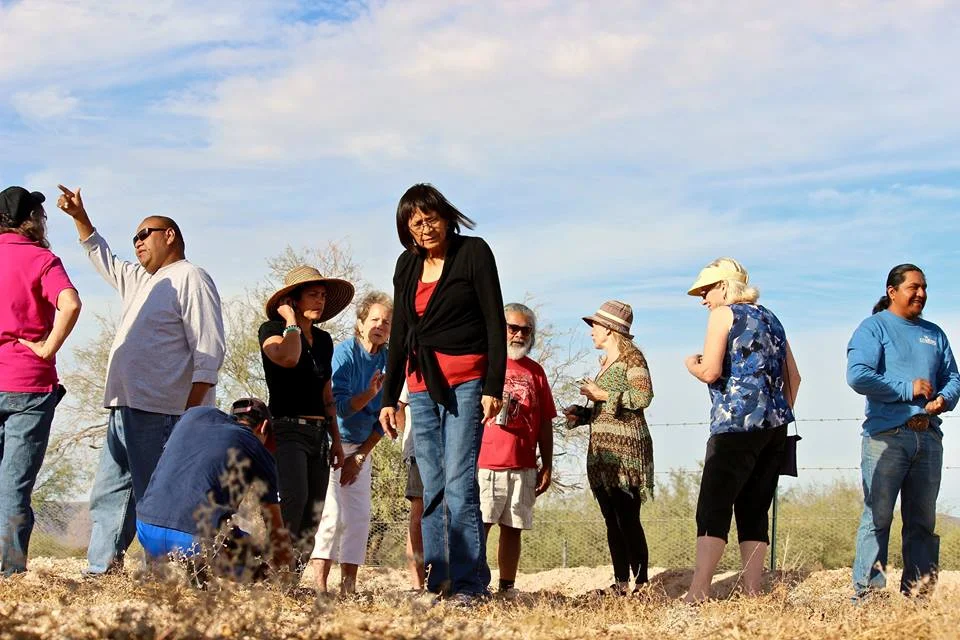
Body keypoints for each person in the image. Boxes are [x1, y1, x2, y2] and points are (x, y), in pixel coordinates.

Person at [56, 185, 226, 575]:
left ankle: (169, 573)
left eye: (143, 234)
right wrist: (81, 218)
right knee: (109, 494)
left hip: (164, 409)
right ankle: (102, 569)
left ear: (170, 236)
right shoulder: (141, 281)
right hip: (123, 405)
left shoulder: (190, 277)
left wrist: (192, 413)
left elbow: (209, 347)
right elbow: (103, 258)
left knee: (159, 496)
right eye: (133, 238)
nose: (136, 243)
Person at [379, 183, 507, 605]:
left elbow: (494, 321)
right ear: (407, 229)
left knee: (458, 479)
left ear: (446, 216)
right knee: (430, 485)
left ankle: (471, 583)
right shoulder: (406, 265)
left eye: (430, 217)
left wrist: (494, 385)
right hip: (420, 385)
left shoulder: (473, 252)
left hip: (468, 380)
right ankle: (440, 581)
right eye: (415, 222)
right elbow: (400, 334)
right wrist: (387, 397)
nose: (425, 227)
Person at [683, 257, 800, 603]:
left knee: (713, 506)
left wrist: (692, 365)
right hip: (774, 428)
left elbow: (711, 372)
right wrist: (776, 413)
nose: (703, 299)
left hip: (734, 425)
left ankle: (699, 590)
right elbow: (794, 378)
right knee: (753, 509)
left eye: (705, 290)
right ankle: (752, 591)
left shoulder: (723, 314)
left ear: (723, 286)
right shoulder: (772, 319)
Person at [847, 264, 960, 600]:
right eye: (913, 287)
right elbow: (858, 376)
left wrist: (945, 397)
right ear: (892, 291)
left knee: (923, 523)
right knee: (878, 518)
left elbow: (953, 377)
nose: (921, 293)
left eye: (924, 287)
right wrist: (906, 388)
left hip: (928, 438)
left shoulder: (935, 333)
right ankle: (868, 598)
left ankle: (919, 598)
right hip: (886, 438)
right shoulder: (873, 328)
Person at [0, 186, 82, 574]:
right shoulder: (42, 259)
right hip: (28, 384)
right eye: (41, 215)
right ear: (30, 220)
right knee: (13, 483)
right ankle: (10, 571)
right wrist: (48, 347)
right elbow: (71, 303)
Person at [135, 398, 292, 580]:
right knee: (256, 558)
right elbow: (275, 528)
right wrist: (286, 573)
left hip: (146, 529)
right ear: (263, 427)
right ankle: (207, 579)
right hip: (193, 542)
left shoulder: (194, 415)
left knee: (226, 529)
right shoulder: (256, 447)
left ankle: (169, 573)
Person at [259, 265, 350, 567]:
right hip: (286, 431)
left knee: (314, 511)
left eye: (323, 296)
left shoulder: (324, 341)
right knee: (293, 502)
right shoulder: (271, 330)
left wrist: (336, 440)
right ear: (293, 300)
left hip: (318, 435)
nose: (320, 301)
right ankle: (275, 574)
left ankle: (291, 581)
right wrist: (289, 321)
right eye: (312, 295)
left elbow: (327, 396)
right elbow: (288, 357)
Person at [564, 300, 654, 596]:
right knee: (611, 518)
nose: (591, 332)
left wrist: (600, 393)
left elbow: (642, 397)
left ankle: (641, 584)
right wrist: (583, 414)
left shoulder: (633, 360)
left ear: (610, 329)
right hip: (602, 454)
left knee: (627, 517)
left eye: (595, 326)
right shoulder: (606, 364)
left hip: (626, 452)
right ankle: (620, 583)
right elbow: (608, 409)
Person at [310, 292, 392, 595]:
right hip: (333, 441)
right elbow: (340, 407)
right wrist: (370, 394)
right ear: (360, 322)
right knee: (331, 514)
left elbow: (387, 418)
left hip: (361, 447)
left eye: (387, 322)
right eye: (374, 319)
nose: (380, 325)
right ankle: (319, 587)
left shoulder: (388, 361)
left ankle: (349, 588)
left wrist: (359, 457)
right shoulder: (345, 353)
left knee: (358, 517)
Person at [478, 303, 555, 597]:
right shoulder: (485, 363)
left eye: (525, 330)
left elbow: (545, 421)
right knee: (480, 525)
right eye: (513, 328)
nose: (519, 335)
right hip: (486, 462)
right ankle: (472, 583)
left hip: (523, 463)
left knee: (514, 527)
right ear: (501, 329)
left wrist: (545, 464)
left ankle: (507, 587)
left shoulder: (536, 372)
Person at [397, 383, 425, 591]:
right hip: (419, 451)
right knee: (418, 514)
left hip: (449, 450)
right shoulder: (414, 361)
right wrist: (407, 439)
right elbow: (400, 405)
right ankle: (417, 584)